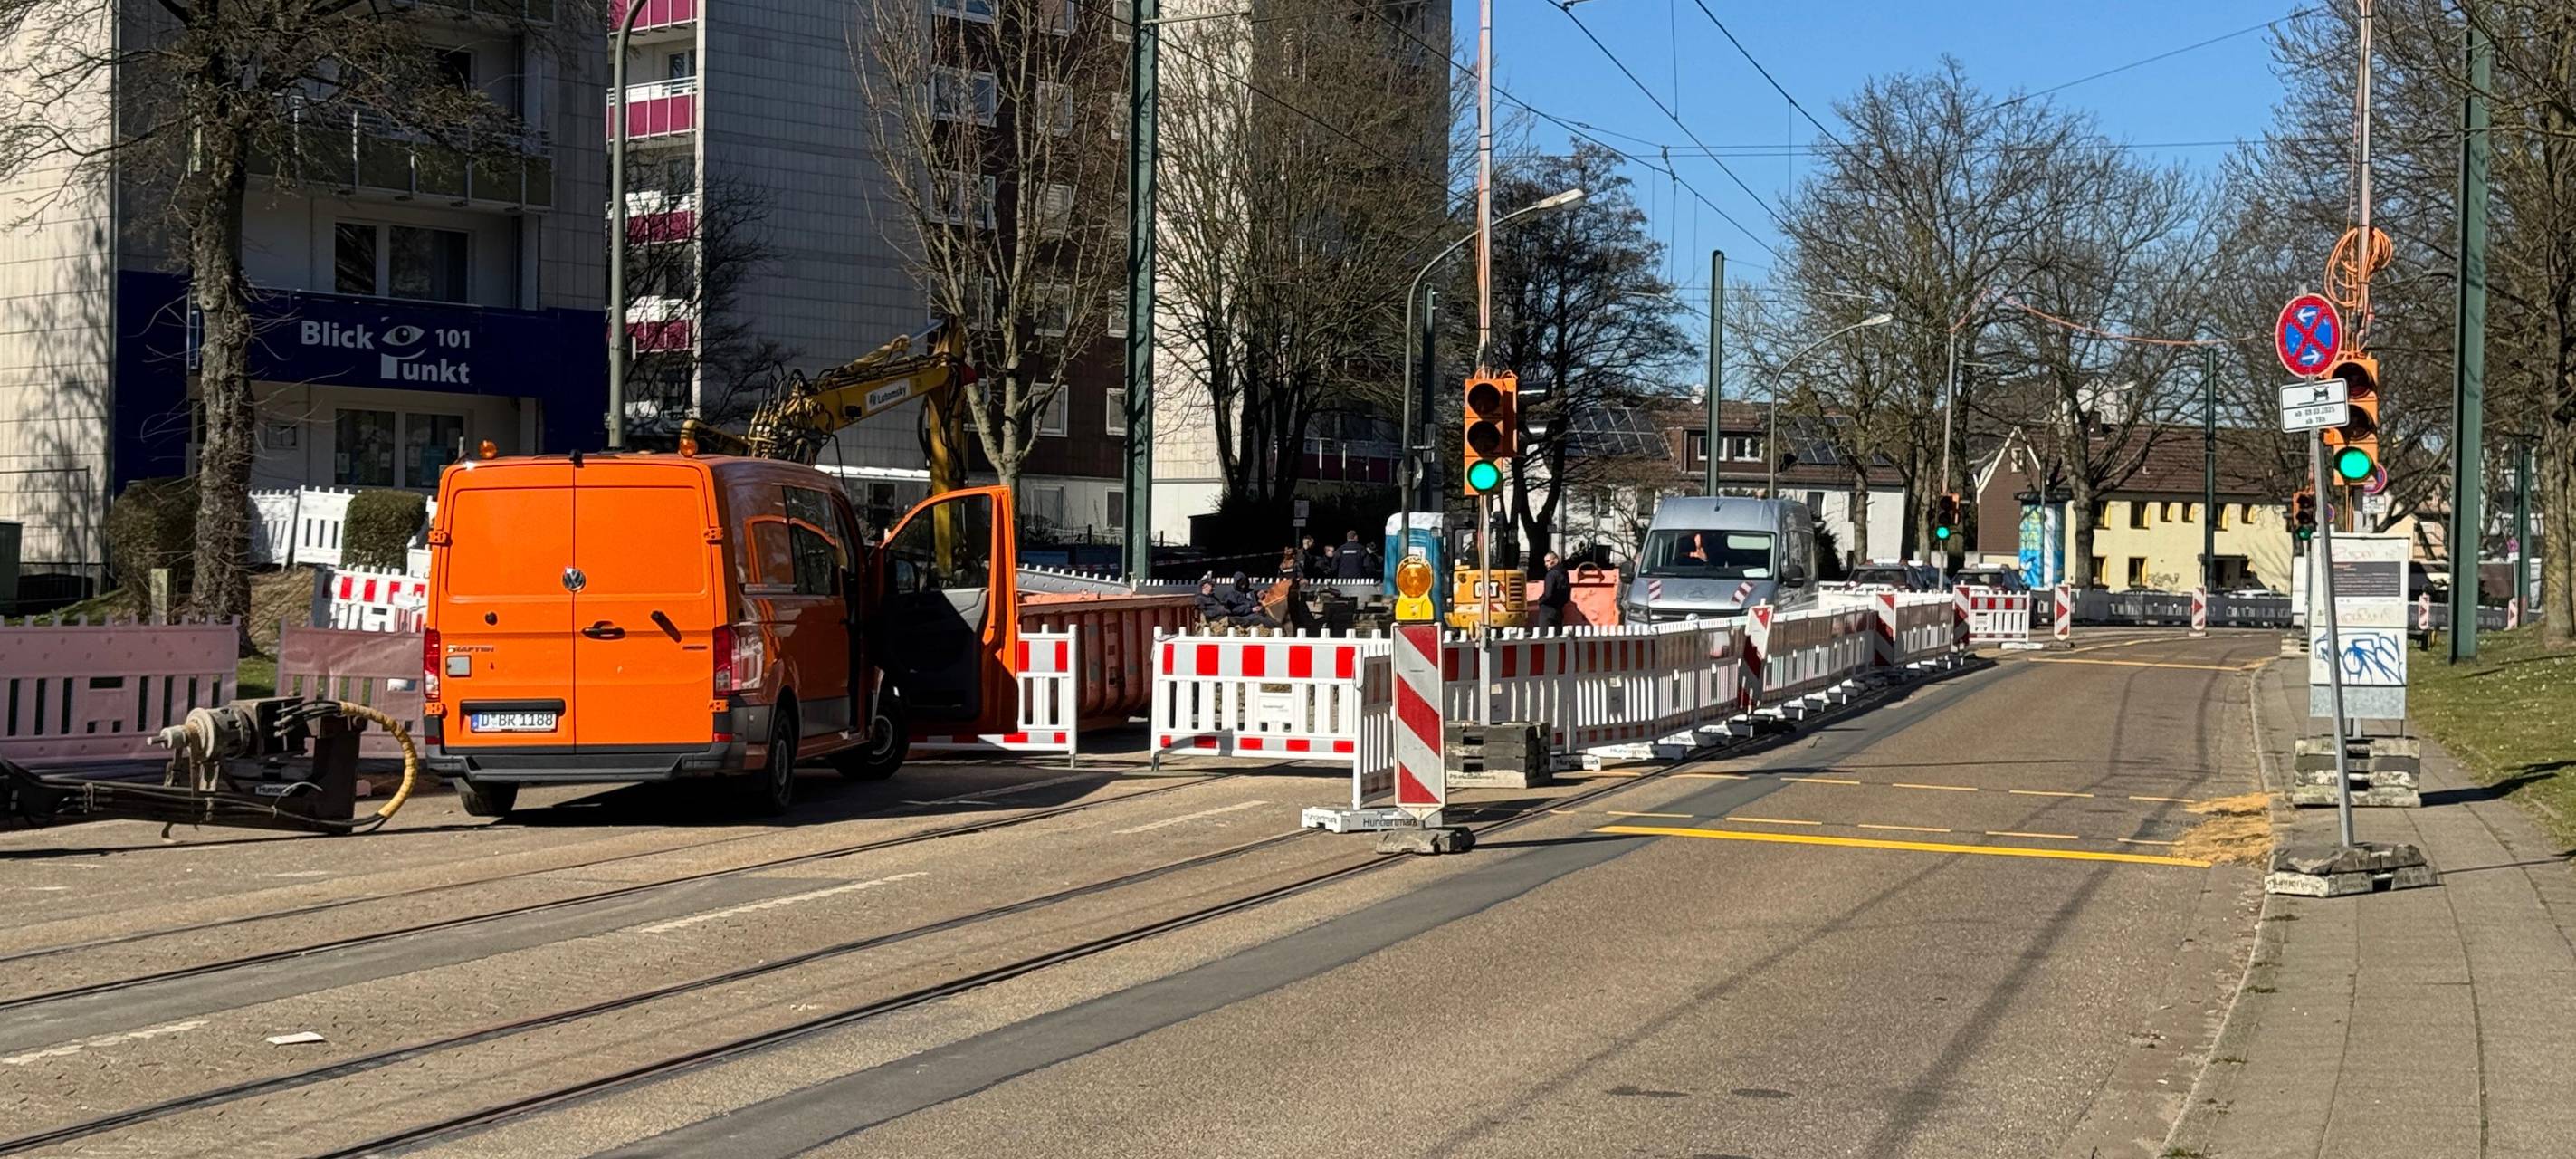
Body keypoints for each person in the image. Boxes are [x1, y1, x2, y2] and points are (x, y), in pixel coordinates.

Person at [1531, 551, 1572, 630]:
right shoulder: (1564, 574)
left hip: (1547, 610)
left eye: (1548, 561)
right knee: (1556, 638)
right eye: (1545, 562)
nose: (1546, 564)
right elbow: (1567, 593)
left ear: (1555, 561)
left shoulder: (1551, 574)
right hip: (1559, 610)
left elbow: (1548, 594)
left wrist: (1540, 601)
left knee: (1545, 637)